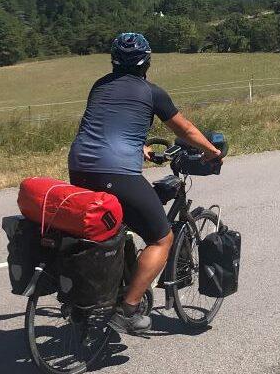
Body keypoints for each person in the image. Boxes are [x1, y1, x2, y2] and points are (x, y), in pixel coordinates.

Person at [68, 32, 223, 333]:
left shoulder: (99, 86)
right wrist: (212, 151)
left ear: (113, 61)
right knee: (161, 238)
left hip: (80, 168)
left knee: (112, 227)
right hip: (116, 173)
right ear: (147, 62)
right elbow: (187, 130)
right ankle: (127, 310)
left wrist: (140, 147)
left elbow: (102, 123)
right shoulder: (152, 93)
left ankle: (106, 286)